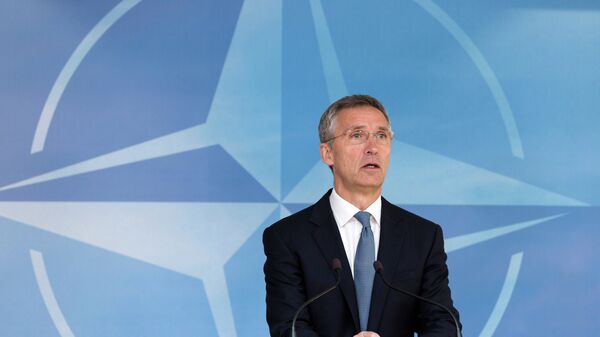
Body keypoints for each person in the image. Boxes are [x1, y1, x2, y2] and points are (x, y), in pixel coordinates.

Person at [263, 95, 461, 337]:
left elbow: (444, 325)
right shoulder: (288, 237)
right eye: (357, 135)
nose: (372, 148)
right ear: (328, 153)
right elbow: (288, 328)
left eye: (381, 136)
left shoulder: (423, 236)